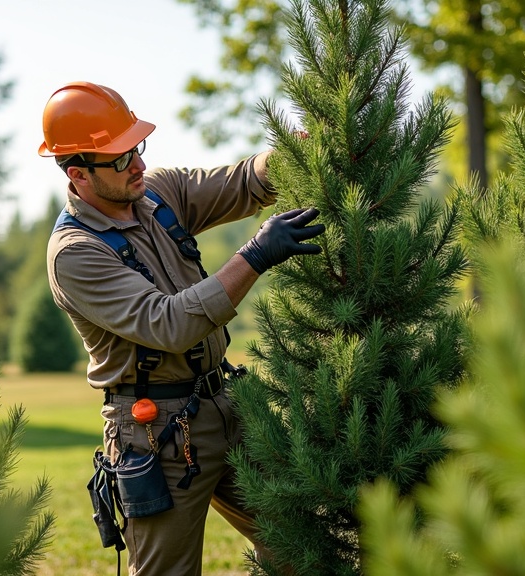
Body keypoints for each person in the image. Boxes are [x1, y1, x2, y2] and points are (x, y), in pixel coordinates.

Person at [40, 81, 324, 576]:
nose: (138, 165)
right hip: (158, 433)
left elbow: (245, 182)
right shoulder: (74, 254)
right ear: (78, 173)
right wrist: (254, 256)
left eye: (136, 147)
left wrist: (301, 146)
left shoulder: (158, 195)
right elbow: (170, 325)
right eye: (120, 158)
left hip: (228, 403)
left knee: (302, 545)